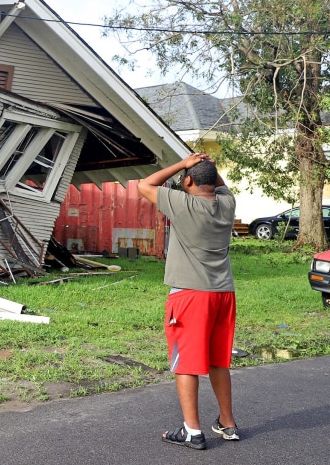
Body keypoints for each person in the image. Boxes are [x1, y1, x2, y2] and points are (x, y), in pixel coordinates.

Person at [137, 152, 240, 450]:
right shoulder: (226, 203)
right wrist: (205, 168)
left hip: (190, 296)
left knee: (187, 364)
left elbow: (145, 184)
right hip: (223, 294)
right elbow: (217, 184)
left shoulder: (183, 203)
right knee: (218, 360)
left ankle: (192, 431)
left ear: (189, 180)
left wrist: (184, 163)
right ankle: (227, 423)